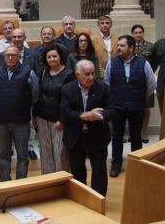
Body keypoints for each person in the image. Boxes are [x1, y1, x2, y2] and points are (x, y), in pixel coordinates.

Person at [105, 35, 157, 178]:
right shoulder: (112, 63)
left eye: (122, 45)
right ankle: (116, 164)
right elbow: (107, 83)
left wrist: (139, 96)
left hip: (137, 106)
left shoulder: (144, 63)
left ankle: (136, 165)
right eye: (118, 45)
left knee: (136, 137)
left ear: (131, 48)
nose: (119, 48)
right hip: (117, 106)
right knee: (116, 137)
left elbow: (151, 84)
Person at [61, 60, 114, 196]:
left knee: (99, 173)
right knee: (78, 173)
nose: (91, 77)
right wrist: (84, 116)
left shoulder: (103, 88)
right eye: (86, 74)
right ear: (78, 74)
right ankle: (82, 200)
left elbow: (112, 110)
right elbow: (64, 114)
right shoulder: (67, 89)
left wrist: (99, 115)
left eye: (92, 73)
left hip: (97, 136)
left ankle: (98, 201)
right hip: (75, 138)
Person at [0, 46, 39, 181]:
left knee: (22, 155)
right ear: (4, 57)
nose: (10, 57)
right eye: (7, 55)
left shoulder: (28, 72)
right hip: (1, 121)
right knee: (3, 155)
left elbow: (35, 94)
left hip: (21, 121)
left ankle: (21, 183)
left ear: (19, 57)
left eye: (14, 55)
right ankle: (5, 182)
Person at [34, 45, 74, 174]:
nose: (52, 59)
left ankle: (61, 183)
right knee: (45, 153)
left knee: (60, 153)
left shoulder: (69, 74)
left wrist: (63, 120)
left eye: (54, 56)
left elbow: (70, 101)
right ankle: (48, 183)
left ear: (60, 57)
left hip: (59, 121)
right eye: (49, 57)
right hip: (42, 118)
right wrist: (34, 116)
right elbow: (38, 95)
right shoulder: (43, 73)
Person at [132, 24, 155, 143]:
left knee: (146, 108)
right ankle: (134, 132)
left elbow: (154, 62)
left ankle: (144, 131)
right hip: (132, 82)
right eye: (135, 32)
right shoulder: (129, 46)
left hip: (146, 81)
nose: (138, 34)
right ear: (132, 34)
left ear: (143, 33)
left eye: (140, 32)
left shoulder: (150, 46)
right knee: (133, 108)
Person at [90, 15, 118, 79]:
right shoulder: (92, 39)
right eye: (102, 23)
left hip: (115, 72)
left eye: (107, 23)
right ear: (98, 25)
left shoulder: (117, 39)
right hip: (98, 74)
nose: (105, 25)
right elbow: (92, 56)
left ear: (111, 25)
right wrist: (103, 72)